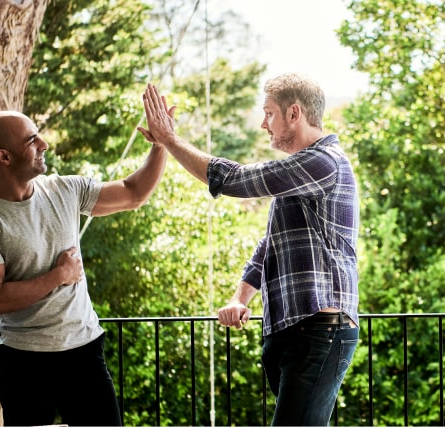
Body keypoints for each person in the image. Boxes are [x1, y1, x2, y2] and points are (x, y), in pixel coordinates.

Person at [138, 74, 360, 426]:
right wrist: (240, 298)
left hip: (320, 328)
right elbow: (268, 245)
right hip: (294, 330)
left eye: (268, 113)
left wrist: (169, 139)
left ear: (294, 113)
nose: (262, 124)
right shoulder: (301, 175)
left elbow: (237, 179)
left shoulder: (324, 162)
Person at [0, 110, 167, 426]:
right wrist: (59, 276)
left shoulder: (63, 190)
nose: (44, 144)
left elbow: (134, 193)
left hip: (83, 353)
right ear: (4, 157)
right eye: (31, 140)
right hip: (24, 362)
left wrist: (161, 145)